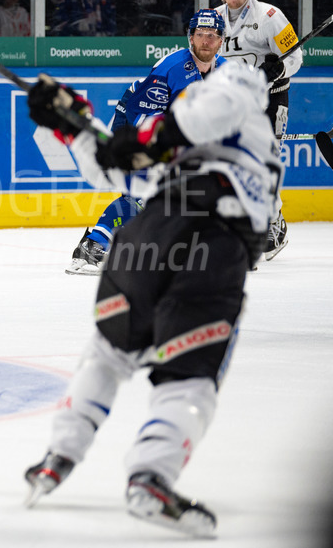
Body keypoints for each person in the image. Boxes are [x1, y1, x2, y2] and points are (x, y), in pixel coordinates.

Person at [24, 59, 283, 537]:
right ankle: (151, 477)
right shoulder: (236, 94)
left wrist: (94, 135)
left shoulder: (212, 113)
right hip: (210, 242)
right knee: (189, 377)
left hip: (148, 236)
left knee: (106, 354)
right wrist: (72, 121)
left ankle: (59, 455)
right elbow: (125, 162)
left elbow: (125, 163)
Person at [67, 8, 228, 274]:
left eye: (212, 35)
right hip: (134, 122)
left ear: (221, 40)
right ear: (190, 37)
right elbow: (142, 118)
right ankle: (92, 245)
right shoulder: (172, 68)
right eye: (201, 34)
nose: (206, 41)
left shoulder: (224, 72)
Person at [213, 0, 302, 260]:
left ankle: (274, 222)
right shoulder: (213, 19)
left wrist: (277, 69)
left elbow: (296, 57)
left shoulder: (270, 16)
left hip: (270, 99)